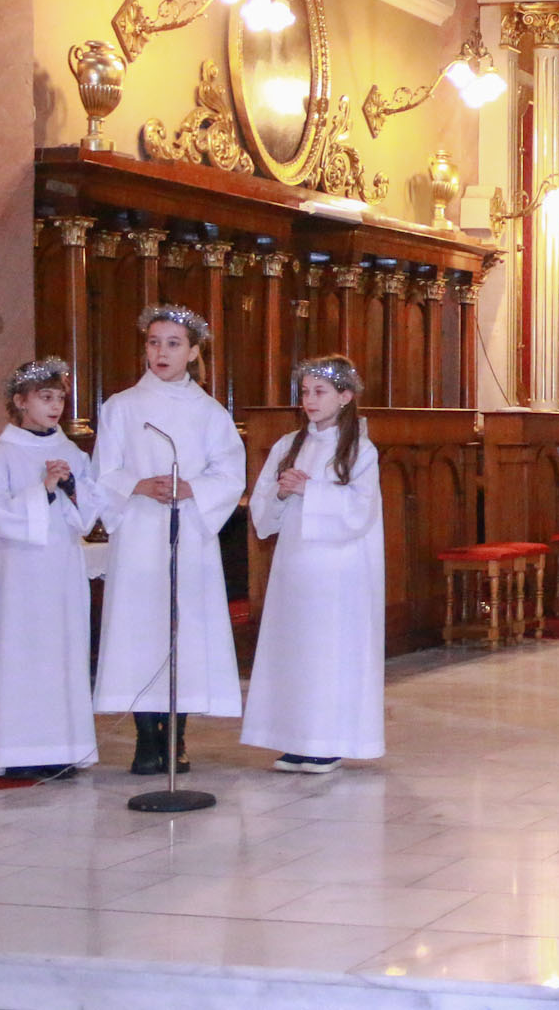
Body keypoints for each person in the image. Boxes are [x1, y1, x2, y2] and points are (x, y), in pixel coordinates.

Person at [91, 304, 247, 774]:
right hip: (138, 533)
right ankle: (145, 737)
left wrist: (192, 488)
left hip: (189, 533)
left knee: (184, 632)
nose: (161, 353)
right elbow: (103, 472)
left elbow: (230, 473)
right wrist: (137, 485)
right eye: (154, 343)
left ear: (194, 352)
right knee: (141, 631)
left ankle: (175, 736)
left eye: (174, 344)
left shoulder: (210, 413)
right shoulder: (121, 407)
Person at [0, 358, 105, 782]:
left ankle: (62, 748)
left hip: (60, 569)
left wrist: (71, 487)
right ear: (20, 401)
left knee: (61, 654)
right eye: (45, 397)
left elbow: (88, 514)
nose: (55, 407)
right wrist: (44, 490)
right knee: (19, 655)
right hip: (17, 572)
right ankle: (17, 750)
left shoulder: (71, 452)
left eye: (60, 399)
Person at [240, 356, 384, 773]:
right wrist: (282, 494)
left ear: (345, 396)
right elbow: (263, 512)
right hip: (295, 566)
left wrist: (312, 489)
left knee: (329, 654)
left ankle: (328, 741)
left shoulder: (359, 449)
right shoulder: (288, 445)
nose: (309, 400)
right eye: (305, 392)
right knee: (295, 653)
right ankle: (296, 739)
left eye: (320, 392)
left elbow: (360, 511)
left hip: (339, 571)